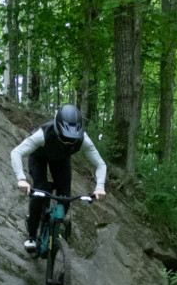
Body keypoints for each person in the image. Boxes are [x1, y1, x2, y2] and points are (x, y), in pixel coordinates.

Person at [10, 105, 106, 253]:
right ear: (57, 129)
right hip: (39, 157)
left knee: (65, 197)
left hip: (61, 160)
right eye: (65, 138)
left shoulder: (84, 140)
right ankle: (31, 236)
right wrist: (21, 179)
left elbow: (100, 164)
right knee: (40, 190)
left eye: (72, 140)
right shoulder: (42, 135)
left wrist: (100, 187)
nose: (67, 143)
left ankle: (53, 226)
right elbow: (16, 152)